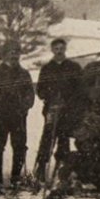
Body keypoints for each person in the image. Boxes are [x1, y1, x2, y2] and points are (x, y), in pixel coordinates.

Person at [0, 42, 35, 195]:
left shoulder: (24, 74)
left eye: (16, 52)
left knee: (19, 147)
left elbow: (30, 94)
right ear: (4, 54)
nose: (14, 55)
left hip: (18, 116)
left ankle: (16, 179)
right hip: (0, 117)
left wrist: (24, 107)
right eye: (11, 52)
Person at [34, 38, 84, 183]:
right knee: (48, 139)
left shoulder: (74, 67)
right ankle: (41, 168)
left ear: (65, 49)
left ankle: (62, 170)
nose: (59, 51)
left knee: (64, 140)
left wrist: (70, 101)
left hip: (68, 111)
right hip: (52, 110)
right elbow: (40, 90)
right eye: (56, 49)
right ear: (52, 50)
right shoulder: (47, 68)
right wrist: (51, 97)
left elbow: (81, 89)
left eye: (61, 48)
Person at [45, 109, 100, 199]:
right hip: (94, 167)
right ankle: (64, 186)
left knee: (74, 158)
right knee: (72, 158)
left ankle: (72, 185)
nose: (76, 136)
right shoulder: (86, 133)